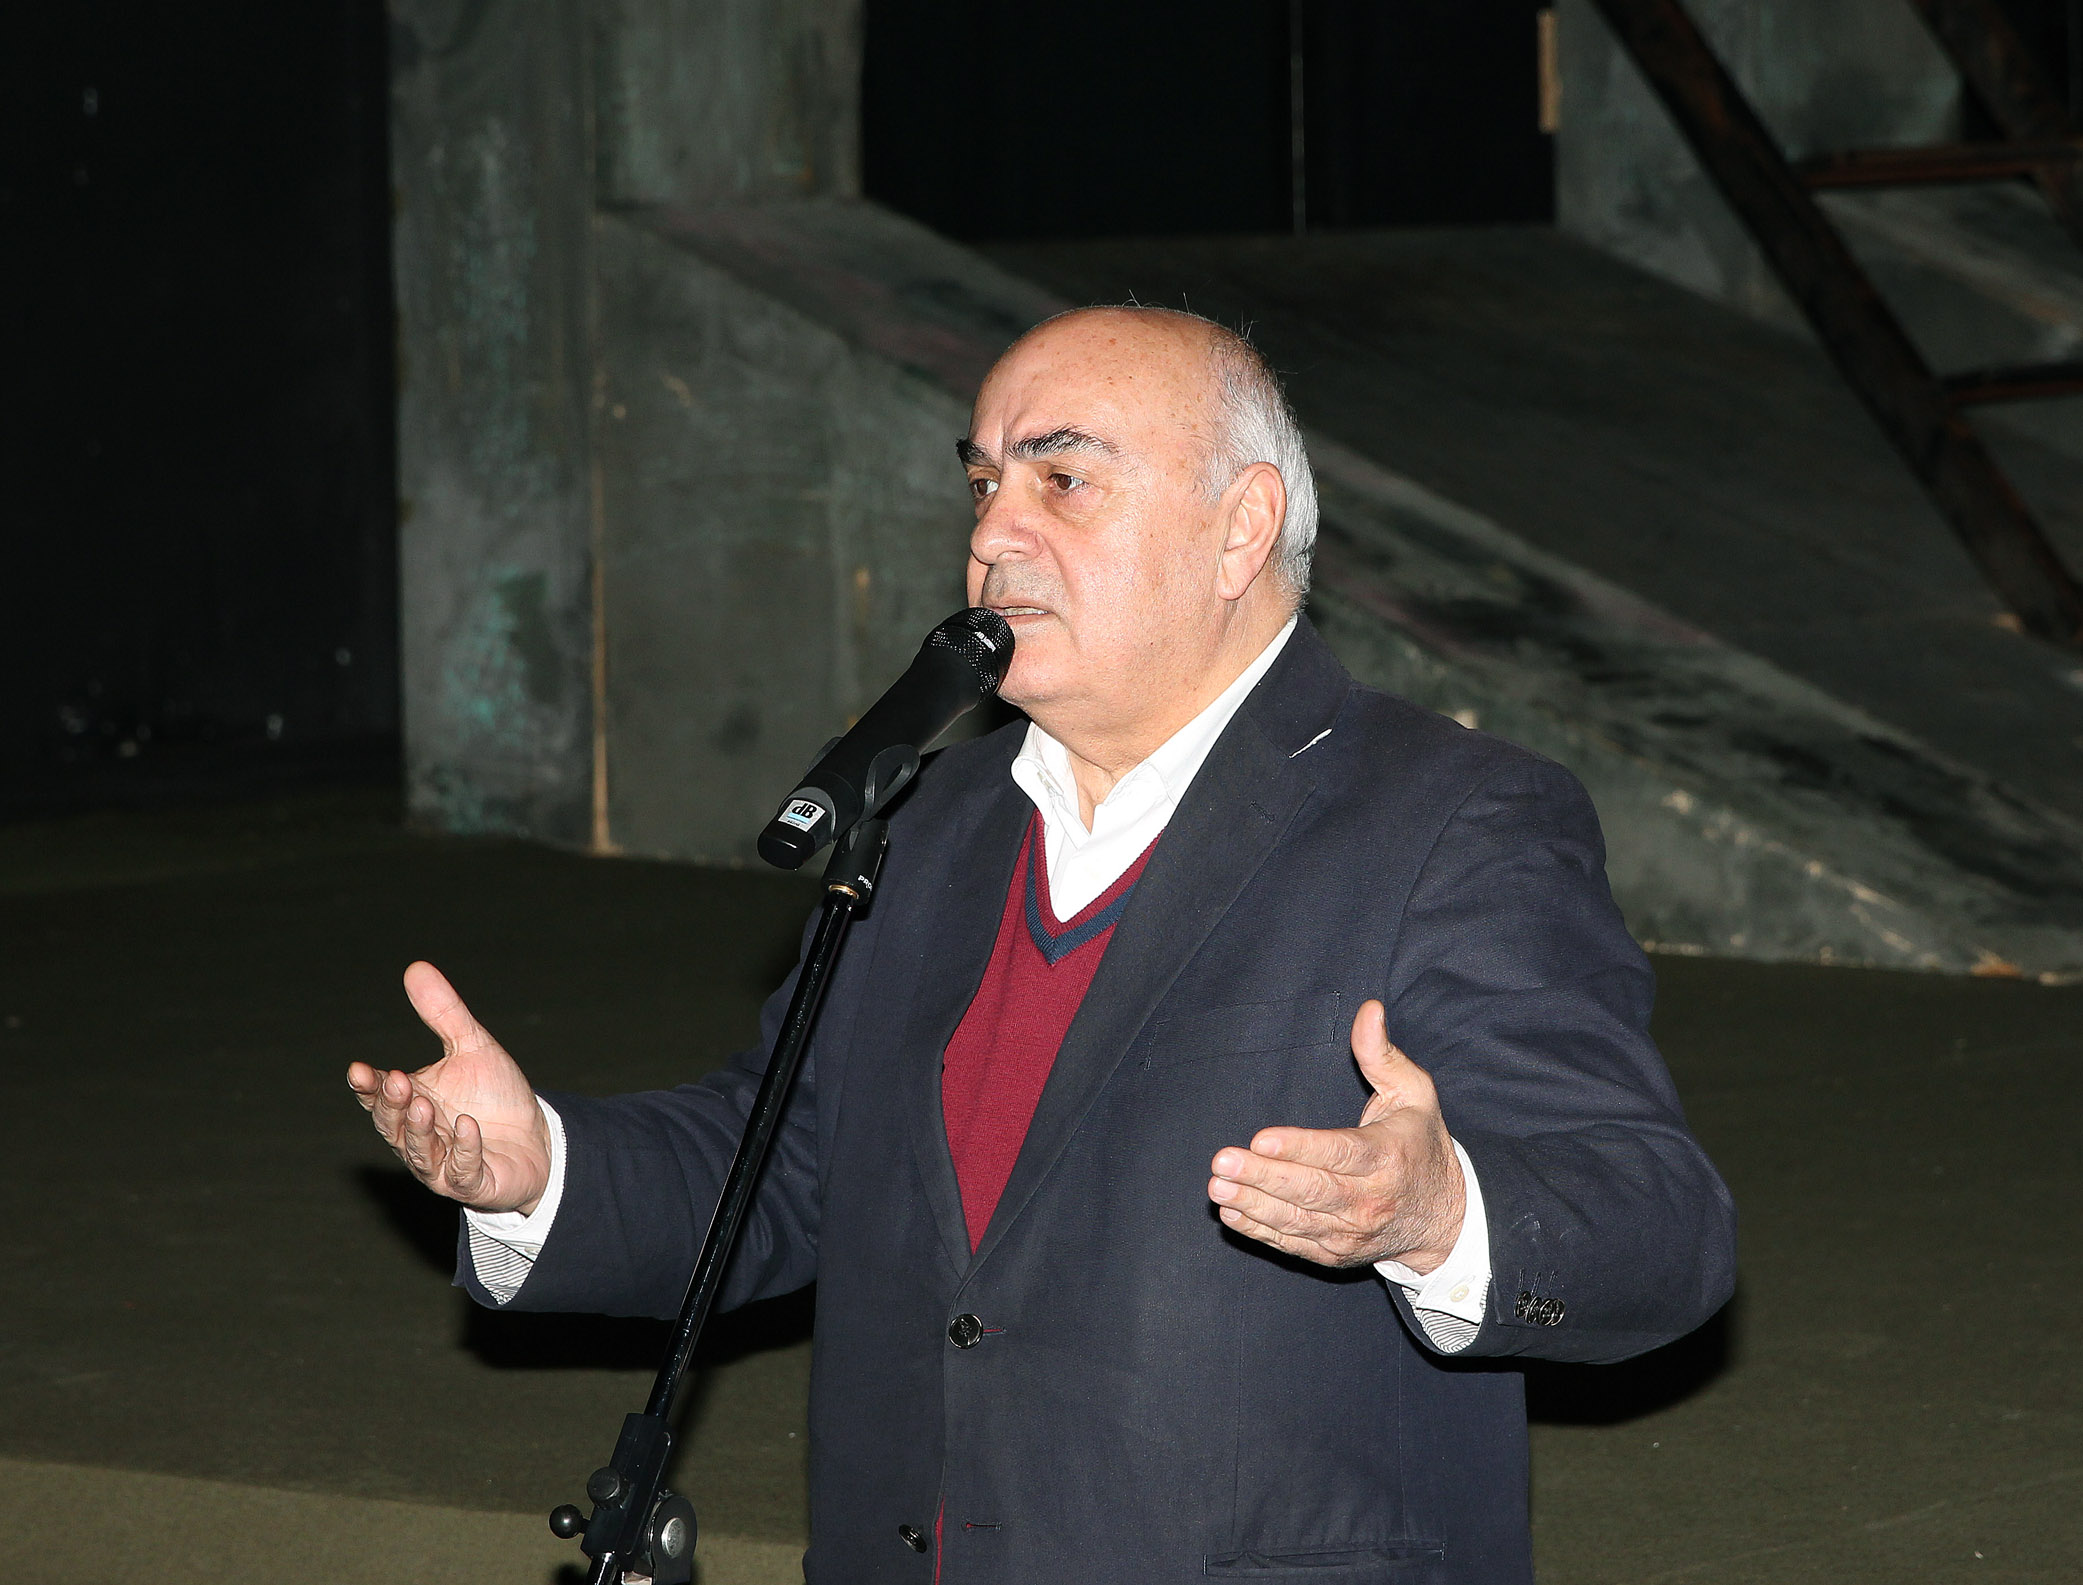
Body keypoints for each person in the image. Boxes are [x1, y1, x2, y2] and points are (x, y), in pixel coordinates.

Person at [349, 306, 1736, 1584]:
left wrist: (1439, 1213)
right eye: (983, 483)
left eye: (1062, 479)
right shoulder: (929, 820)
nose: (995, 533)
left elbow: (1661, 1227)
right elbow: (784, 1162)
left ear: (1241, 529)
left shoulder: (1450, 819)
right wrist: (539, 1171)